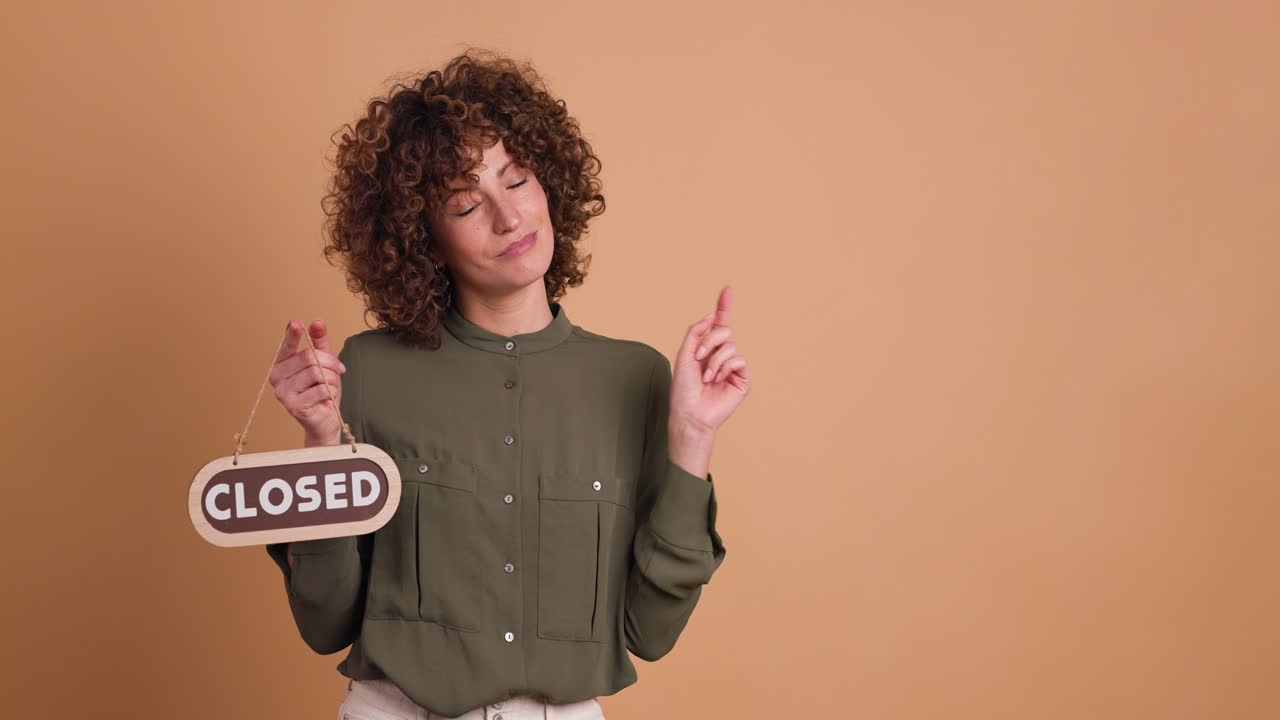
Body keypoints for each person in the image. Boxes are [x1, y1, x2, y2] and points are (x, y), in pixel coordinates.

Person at [262, 48, 749, 720]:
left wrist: (693, 437)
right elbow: (325, 623)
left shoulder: (636, 378)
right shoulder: (368, 373)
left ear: (549, 182)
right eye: (465, 204)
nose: (508, 217)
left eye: (516, 180)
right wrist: (319, 440)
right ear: (423, 239)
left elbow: (651, 633)